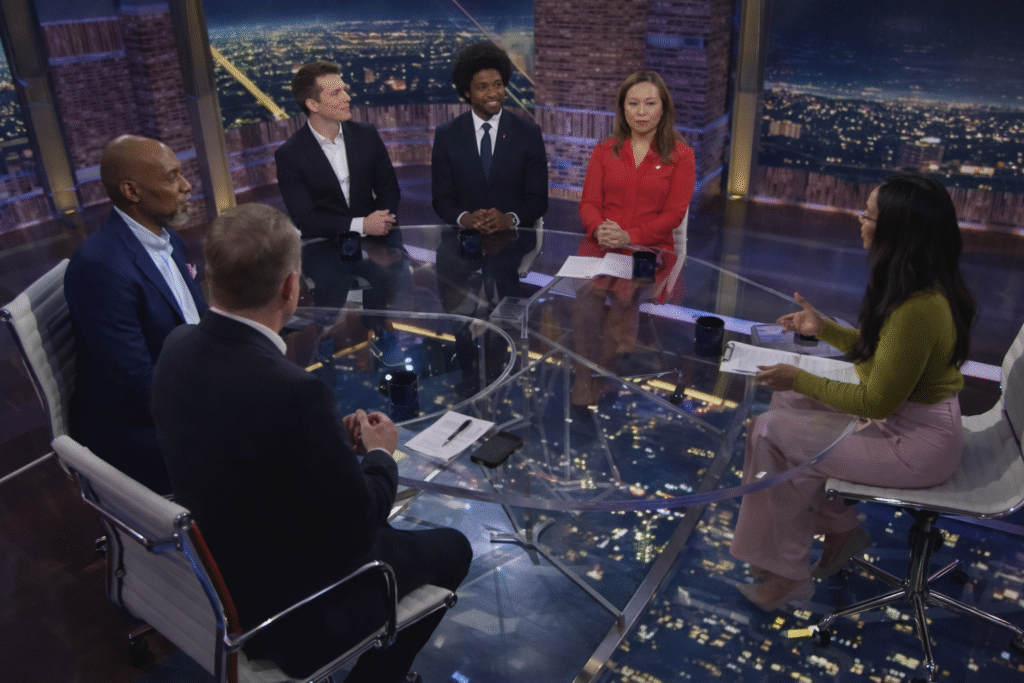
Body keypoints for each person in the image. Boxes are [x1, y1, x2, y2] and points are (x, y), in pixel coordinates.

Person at [151, 204, 472, 683]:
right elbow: (359, 526)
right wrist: (381, 451)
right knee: (454, 548)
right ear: (289, 287)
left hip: (217, 578)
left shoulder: (175, 346)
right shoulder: (295, 393)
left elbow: (248, 449)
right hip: (299, 613)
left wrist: (328, 448)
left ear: (210, 280)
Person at [730, 173, 977, 611]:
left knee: (771, 430)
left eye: (868, 215)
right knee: (787, 406)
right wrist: (824, 330)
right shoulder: (919, 286)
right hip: (910, 419)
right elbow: (883, 360)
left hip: (916, 444)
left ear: (897, 232)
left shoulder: (917, 309)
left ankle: (788, 572)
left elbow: (876, 400)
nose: (859, 221)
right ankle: (837, 529)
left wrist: (799, 376)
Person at [64, 134, 207, 494]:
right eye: (172, 177)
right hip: (144, 436)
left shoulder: (170, 240)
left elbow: (197, 323)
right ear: (132, 191)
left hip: (184, 384)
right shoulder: (101, 269)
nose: (186, 186)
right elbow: (136, 392)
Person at [571, 71, 695, 407]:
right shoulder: (605, 149)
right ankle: (584, 378)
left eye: (649, 104)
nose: (641, 112)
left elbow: (673, 214)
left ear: (663, 108)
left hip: (649, 250)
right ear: (622, 108)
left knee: (622, 303)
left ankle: (603, 371)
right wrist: (599, 228)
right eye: (633, 103)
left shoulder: (681, 155)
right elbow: (588, 203)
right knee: (586, 304)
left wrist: (631, 235)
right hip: (603, 243)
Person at [275, 61, 403, 315]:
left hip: (376, 234)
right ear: (312, 105)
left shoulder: (367, 135)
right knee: (332, 287)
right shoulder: (289, 155)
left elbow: (389, 189)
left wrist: (381, 219)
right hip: (324, 243)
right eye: (336, 93)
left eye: (344, 90)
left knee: (395, 278)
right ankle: (325, 333)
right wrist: (360, 225)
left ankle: (381, 327)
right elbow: (306, 220)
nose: (347, 98)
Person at [431, 41, 548, 234]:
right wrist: (466, 219)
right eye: (482, 87)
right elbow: (442, 199)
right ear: (467, 92)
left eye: (498, 85)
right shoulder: (446, 135)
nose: (493, 93)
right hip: (462, 241)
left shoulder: (528, 134)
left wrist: (509, 219)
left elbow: (538, 200)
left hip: (513, 242)